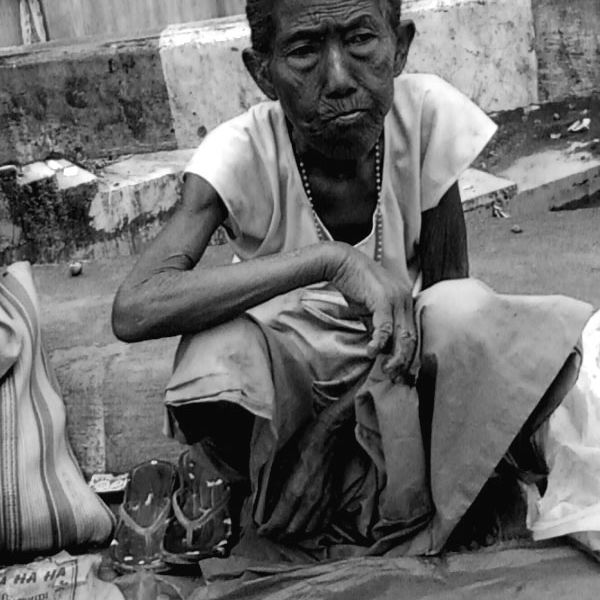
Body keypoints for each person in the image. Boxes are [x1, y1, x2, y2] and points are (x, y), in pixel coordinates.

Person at [112, 0, 592, 562]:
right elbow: (135, 307)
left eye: (360, 40)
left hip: (393, 373)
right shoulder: (239, 150)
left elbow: (446, 320)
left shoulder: (426, 117)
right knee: (216, 354)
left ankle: (331, 484)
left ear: (401, 45)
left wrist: (333, 432)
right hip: (290, 394)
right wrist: (330, 261)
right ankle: (255, 473)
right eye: (304, 51)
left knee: (468, 314)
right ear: (261, 71)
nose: (338, 79)